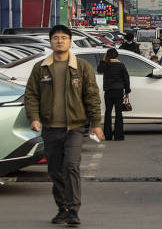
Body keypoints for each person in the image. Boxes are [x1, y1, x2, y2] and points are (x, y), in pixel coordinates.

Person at [24, 25, 104, 227]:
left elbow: (92, 96)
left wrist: (96, 124)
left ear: (70, 42)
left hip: (74, 129)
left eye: (64, 38)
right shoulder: (40, 68)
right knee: (55, 171)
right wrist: (33, 117)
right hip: (51, 129)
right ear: (51, 42)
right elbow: (31, 95)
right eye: (56, 38)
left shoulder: (82, 67)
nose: (60, 41)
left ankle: (73, 211)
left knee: (71, 166)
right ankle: (62, 209)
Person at [101, 48, 131, 141]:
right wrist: (127, 91)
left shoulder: (106, 65)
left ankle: (108, 135)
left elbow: (99, 70)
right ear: (117, 55)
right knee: (118, 113)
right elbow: (126, 78)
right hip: (118, 91)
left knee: (108, 112)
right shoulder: (121, 65)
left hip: (108, 91)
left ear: (107, 55)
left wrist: (103, 59)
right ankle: (118, 135)